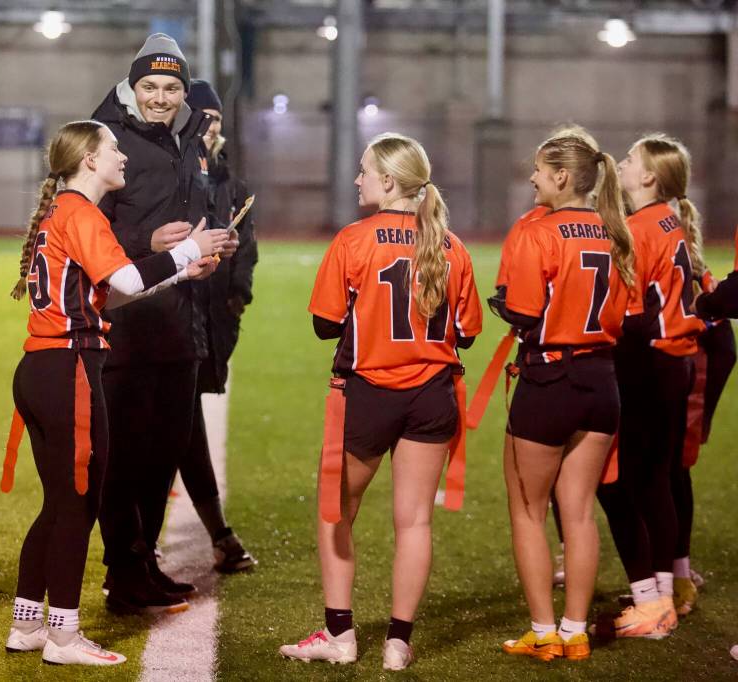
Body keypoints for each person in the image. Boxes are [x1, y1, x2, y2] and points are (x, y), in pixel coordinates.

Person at [3, 120, 225, 665]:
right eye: (114, 149)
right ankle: (62, 635)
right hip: (70, 368)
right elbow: (125, 281)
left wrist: (178, 272)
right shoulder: (81, 212)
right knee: (80, 504)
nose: (123, 157)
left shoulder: (67, 213)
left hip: (44, 369)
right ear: (88, 161)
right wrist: (185, 249)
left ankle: (27, 623)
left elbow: (107, 295)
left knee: (59, 504)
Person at [280, 133, 482, 671]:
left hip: (367, 393)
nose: (357, 179)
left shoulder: (354, 239)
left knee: (335, 514)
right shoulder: (451, 245)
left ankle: (340, 635)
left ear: (388, 182)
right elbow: (467, 331)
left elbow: (325, 324)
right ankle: (398, 641)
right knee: (414, 521)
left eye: (364, 170)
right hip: (433, 395)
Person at [91, 32, 238, 613]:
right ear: (131, 87)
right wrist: (144, 244)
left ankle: (142, 562)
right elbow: (83, 229)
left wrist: (205, 254)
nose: (159, 96)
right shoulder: (107, 143)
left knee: (163, 453)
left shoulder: (188, 144)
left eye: (171, 86)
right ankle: (122, 571)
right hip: (126, 327)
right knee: (123, 458)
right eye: (149, 85)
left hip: (180, 322)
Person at [492, 132, 634, 662]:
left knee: (528, 510)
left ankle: (544, 631)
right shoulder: (615, 229)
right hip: (602, 381)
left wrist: (502, 306)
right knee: (577, 513)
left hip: (550, 378)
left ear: (561, 177)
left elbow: (526, 312)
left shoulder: (539, 231)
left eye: (538, 169)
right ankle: (576, 632)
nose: (531, 177)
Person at [594, 134, 706, 637]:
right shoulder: (670, 219)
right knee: (656, 479)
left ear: (648, 178)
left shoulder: (640, 228)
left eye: (630, 159)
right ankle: (665, 590)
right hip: (676, 361)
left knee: (626, 479)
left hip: (649, 362)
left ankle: (654, 602)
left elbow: (633, 318)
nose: (621, 162)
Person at [179, 78, 258, 573]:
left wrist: (235, 301)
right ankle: (134, 552)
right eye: (203, 119)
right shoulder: (171, 175)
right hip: (171, 323)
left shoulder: (231, 184)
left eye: (217, 121)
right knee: (174, 430)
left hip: (211, 323)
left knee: (183, 427)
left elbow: (245, 251)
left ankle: (136, 552)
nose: (211, 128)